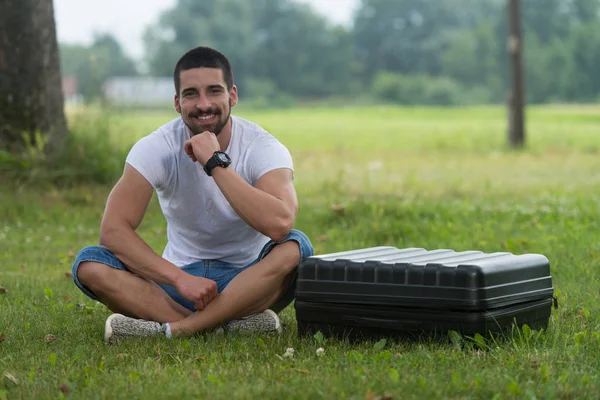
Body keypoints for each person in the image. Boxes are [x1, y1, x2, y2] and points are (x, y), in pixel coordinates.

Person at [71, 46, 314, 343]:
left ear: (232, 96)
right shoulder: (155, 147)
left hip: (249, 281)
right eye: (191, 94)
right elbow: (113, 232)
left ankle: (178, 329)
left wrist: (215, 162)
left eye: (214, 91)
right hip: (177, 285)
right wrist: (179, 279)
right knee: (89, 263)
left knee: (295, 246)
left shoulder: (263, 147)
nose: (203, 104)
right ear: (177, 102)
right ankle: (225, 325)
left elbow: (280, 224)